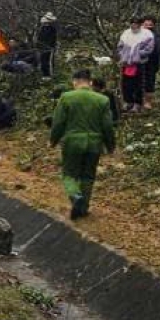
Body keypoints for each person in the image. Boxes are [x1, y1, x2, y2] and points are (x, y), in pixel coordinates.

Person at [50, 69, 116, 220]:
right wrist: (110, 145)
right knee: (88, 176)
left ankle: (75, 195)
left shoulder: (66, 97)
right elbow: (107, 126)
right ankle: (83, 208)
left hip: (72, 142)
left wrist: (53, 140)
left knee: (69, 174)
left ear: (75, 81)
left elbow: (58, 122)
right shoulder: (102, 100)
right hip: (94, 143)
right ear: (90, 82)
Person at [116, 17, 155, 113]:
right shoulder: (126, 33)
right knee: (126, 84)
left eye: (136, 23)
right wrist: (123, 56)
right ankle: (128, 102)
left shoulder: (147, 34)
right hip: (126, 63)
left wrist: (137, 54)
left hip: (139, 63)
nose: (134, 25)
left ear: (140, 24)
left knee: (139, 84)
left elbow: (149, 49)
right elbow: (120, 46)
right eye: (132, 23)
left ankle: (137, 104)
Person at [141, 17, 160, 110]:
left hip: (151, 63)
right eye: (146, 24)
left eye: (150, 24)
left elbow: (157, 51)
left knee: (149, 83)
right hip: (137, 62)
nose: (148, 26)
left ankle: (147, 102)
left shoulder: (156, 36)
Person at [36, 13, 58, 78]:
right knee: (43, 61)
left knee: (49, 61)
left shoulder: (52, 29)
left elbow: (53, 39)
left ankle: (49, 75)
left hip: (49, 48)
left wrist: (50, 46)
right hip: (42, 48)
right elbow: (39, 38)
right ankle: (44, 75)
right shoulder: (42, 28)